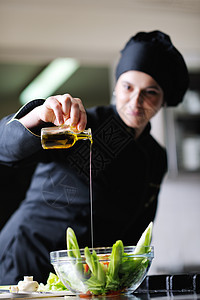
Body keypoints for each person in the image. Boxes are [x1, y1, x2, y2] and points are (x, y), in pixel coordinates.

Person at [0, 30, 189, 284]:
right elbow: (5, 149)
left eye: (150, 92)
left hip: (86, 278)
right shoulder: (79, 125)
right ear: (115, 87)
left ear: (163, 100)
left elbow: (136, 232)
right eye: (128, 87)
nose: (135, 101)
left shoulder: (155, 156)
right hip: (26, 261)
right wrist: (40, 115)